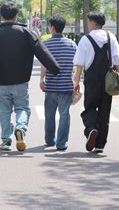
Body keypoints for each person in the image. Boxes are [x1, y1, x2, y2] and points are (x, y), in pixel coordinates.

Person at [0, 2, 60, 152]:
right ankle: (20, 128)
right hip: (21, 80)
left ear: (1, 16)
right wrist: (54, 67)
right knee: (22, 108)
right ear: (16, 15)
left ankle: (6, 140)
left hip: (2, 81)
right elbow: (41, 50)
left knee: (4, 111)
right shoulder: (25, 32)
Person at [73, 12, 119, 153]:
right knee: (104, 111)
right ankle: (100, 144)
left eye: (88, 22)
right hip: (108, 80)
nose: (88, 24)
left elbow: (79, 64)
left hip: (91, 80)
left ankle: (91, 128)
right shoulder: (111, 37)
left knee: (89, 108)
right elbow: (118, 60)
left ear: (93, 23)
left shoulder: (85, 39)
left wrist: (76, 82)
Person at [40, 16, 77, 151]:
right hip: (66, 86)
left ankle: (50, 140)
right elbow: (76, 65)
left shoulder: (46, 44)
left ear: (53, 28)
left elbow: (45, 64)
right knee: (64, 115)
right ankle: (61, 143)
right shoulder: (72, 44)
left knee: (49, 115)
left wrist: (41, 79)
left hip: (50, 86)